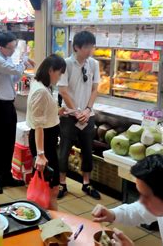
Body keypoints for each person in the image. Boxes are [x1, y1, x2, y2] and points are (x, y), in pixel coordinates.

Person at [0, 31, 35, 194]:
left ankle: (6, 175)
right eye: (11, 48)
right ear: (0, 46)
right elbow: (15, 70)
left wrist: (21, 68)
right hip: (0, 105)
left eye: (15, 47)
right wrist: (23, 60)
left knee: (9, 143)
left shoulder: (5, 57)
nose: (13, 51)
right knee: (0, 142)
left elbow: (13, 78)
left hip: (8, 105)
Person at [58, 30, 101, 200]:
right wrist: (76, 112)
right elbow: (63, 91)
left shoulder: (93, 64)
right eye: (87, 47)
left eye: (92, 47)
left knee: (87, 150)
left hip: (87, 115)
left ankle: (86, 183)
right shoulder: (66, 64)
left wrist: (88, 110)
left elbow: (95, 88)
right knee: (64, 149)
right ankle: (62, 183)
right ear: (76, 47)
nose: (90, 50)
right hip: (69, 115)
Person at [27, 54, 67, 210]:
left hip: (47, 139)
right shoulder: (41, 91)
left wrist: (56, 111)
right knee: (52, 187)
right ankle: (52, 223)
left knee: (50, 186)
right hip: (44, 141)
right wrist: (41, 154)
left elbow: (42, 113)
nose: (60, 77)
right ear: (51, 70)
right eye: (59, 73)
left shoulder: (40, 84)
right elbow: (38, 125)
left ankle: (50, 220)